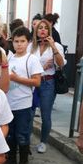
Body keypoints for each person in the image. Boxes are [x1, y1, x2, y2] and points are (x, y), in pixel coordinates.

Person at [6, 26, 43, 164]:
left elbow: (37, 82)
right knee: (10, 134)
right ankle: (11, 161)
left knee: (22, 134)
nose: (19, 44)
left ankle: (23, 163)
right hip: (9, 104)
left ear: (28, 42)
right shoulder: (9, 58)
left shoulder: (32, 59)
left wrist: (17, 79)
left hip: (23, 104)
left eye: (22, 41)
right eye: (16, 41)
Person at [30, 19, 66, 154]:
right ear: (36, 31)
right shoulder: (30, 46)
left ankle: (43, 142)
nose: (43, 30)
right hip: (33, 82)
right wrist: (41, 67)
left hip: (47, 82)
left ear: (49, 31)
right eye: (40, 28)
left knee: (46, 114)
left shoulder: (56, 45)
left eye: (45, 28)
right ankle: (25, 141)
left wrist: (54, 48)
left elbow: (61, 64)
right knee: (30, 112)